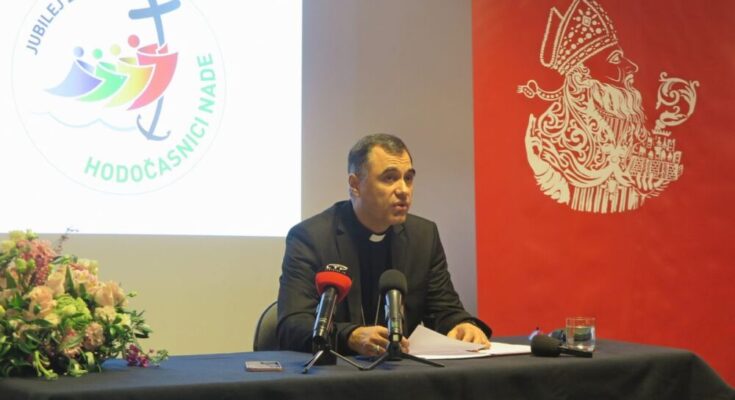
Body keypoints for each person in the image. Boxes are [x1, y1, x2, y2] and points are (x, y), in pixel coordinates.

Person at [277, 133, 491, 357]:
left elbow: (444, 309)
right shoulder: (311, 238)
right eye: (389, 178)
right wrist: (350, 336)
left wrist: (463, 325)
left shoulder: (424, 237)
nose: (403, 190)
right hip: (337, 372)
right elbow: (292, 324)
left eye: (408, 178)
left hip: (401, 373)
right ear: (355, 185)